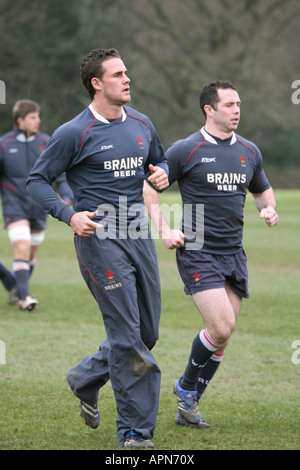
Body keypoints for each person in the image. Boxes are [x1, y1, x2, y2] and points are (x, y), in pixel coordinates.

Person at [27, 48, 169, 448]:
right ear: (97, 83)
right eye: (119, 74)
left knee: (147, 332)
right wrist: (69, 215)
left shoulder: (142, 123)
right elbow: (38, 180)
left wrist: (162, 175)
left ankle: (85, 377)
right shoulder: (74, 132)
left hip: (138, 237)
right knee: (128, 339)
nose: (128, 79)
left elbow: (158, 164)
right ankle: (135, 434)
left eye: (127, 73)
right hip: (99, 241)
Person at [143, 80, 278, 429]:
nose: (237, 111)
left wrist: (268, 210)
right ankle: (186, 386)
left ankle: (188, 402)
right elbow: (149, 187)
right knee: (221, 325)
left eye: (238, 104)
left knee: (222, 334)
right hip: (198, 249)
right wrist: (165, 229)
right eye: (230, 105)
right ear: (209, 109)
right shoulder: (186, 149)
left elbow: (263, 191)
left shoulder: (249, 150)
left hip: (234, 252)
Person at [0, 99, 73, 311]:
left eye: (38, 116)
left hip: (40, 207)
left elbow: (59, 174)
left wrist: (66, 195)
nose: (38, 120)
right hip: (14, 206)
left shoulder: (46, 142)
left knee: (30, 254)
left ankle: (15, 287)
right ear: (20, 120)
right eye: (33, 117)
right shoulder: (4, 145)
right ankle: (26, 297)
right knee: (21, 248)